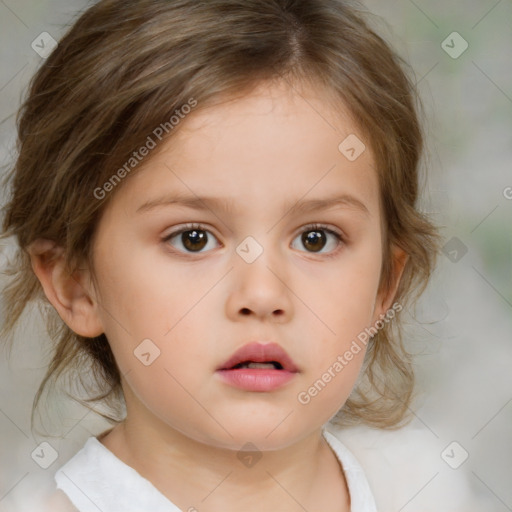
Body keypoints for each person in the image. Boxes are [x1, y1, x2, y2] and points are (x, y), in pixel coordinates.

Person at [0, 1, 441, 510]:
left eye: (316, 238)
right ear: (75, 283)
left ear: (386, 284)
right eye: (193, 238)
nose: (262, 294)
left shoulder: (429, 490)